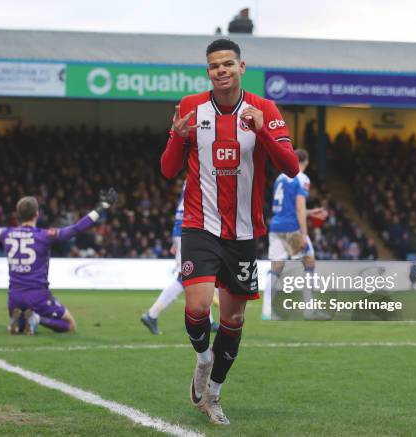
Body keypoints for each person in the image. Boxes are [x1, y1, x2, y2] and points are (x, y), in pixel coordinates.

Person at [160, 38, 299, 425]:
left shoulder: (264, 109)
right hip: (199, 225)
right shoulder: (190, 108)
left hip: (242, 232)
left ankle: (214, 394)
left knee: (235, 320)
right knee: (200, 306)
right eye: (214, 66)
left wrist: (264, 132)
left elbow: (291, 167)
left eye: (227, 64)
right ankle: (202, 360)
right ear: (208, 72)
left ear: (242, 67)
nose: (220, 70)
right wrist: (177, 136)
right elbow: (168, 170)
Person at [0, 188, 117, 335]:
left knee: (21, 320)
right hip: (38, 297)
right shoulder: (44, 236)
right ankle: (38, 319)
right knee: (70, 325)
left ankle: (18, 322)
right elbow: (76, 228)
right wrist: (101, 207)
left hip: (14, 298)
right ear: (37, 214)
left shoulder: (7, 234)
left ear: (18, 215)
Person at [140, 181, 219, 334]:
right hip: (191, 231)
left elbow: (183, 207)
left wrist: (176, 236)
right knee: (187, 278)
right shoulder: (205, 175)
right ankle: (152, 314)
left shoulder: (192, 176)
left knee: (198, 276)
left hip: (185, 230)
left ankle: (208, 321)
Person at [261, 149, 328, 320]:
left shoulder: (281, 177)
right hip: (292, 228)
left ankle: (266, 312)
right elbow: (298, 208)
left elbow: (288, 208)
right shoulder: (302, 178)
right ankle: (309, 310)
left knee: (275, 268)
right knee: (309, 261)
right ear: (306, 162)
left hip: (276, 227)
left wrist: (311, 212)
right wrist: (304, 234)